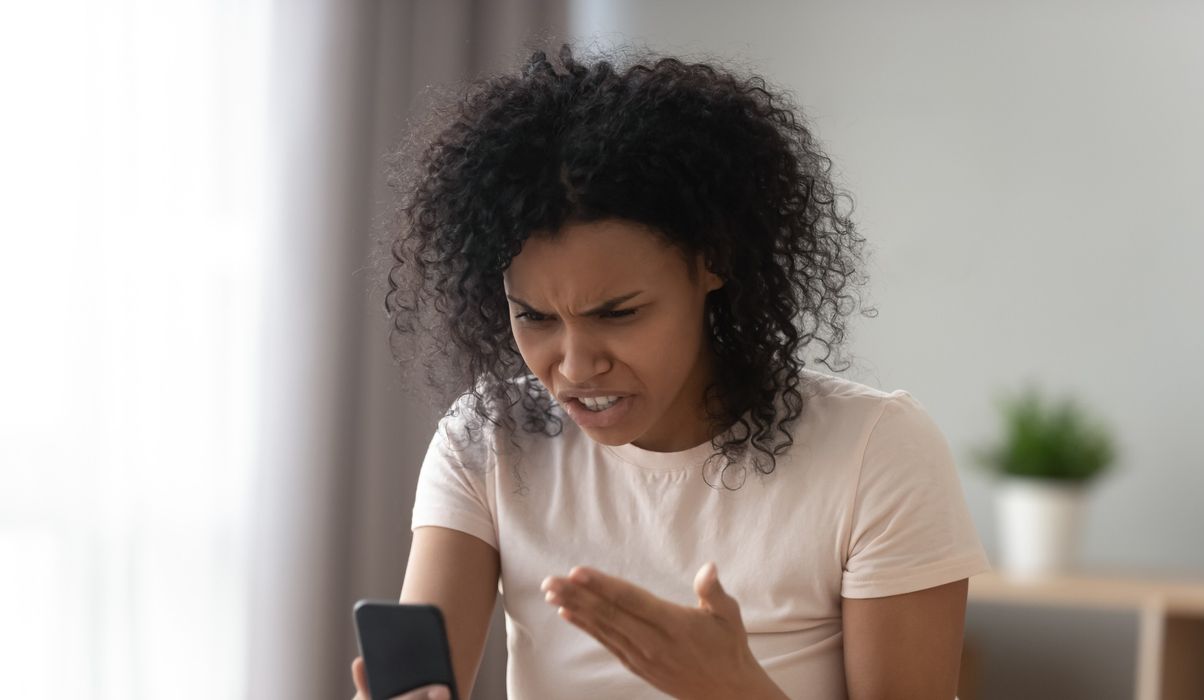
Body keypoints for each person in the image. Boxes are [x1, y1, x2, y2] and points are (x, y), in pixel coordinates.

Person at [350, 42, 991, 700]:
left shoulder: (873, 452)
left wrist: (735, 690)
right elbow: (422, 684)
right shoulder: (488, 441)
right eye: (535, 318)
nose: (574, 365)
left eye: (618, 313)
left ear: (712, 262)